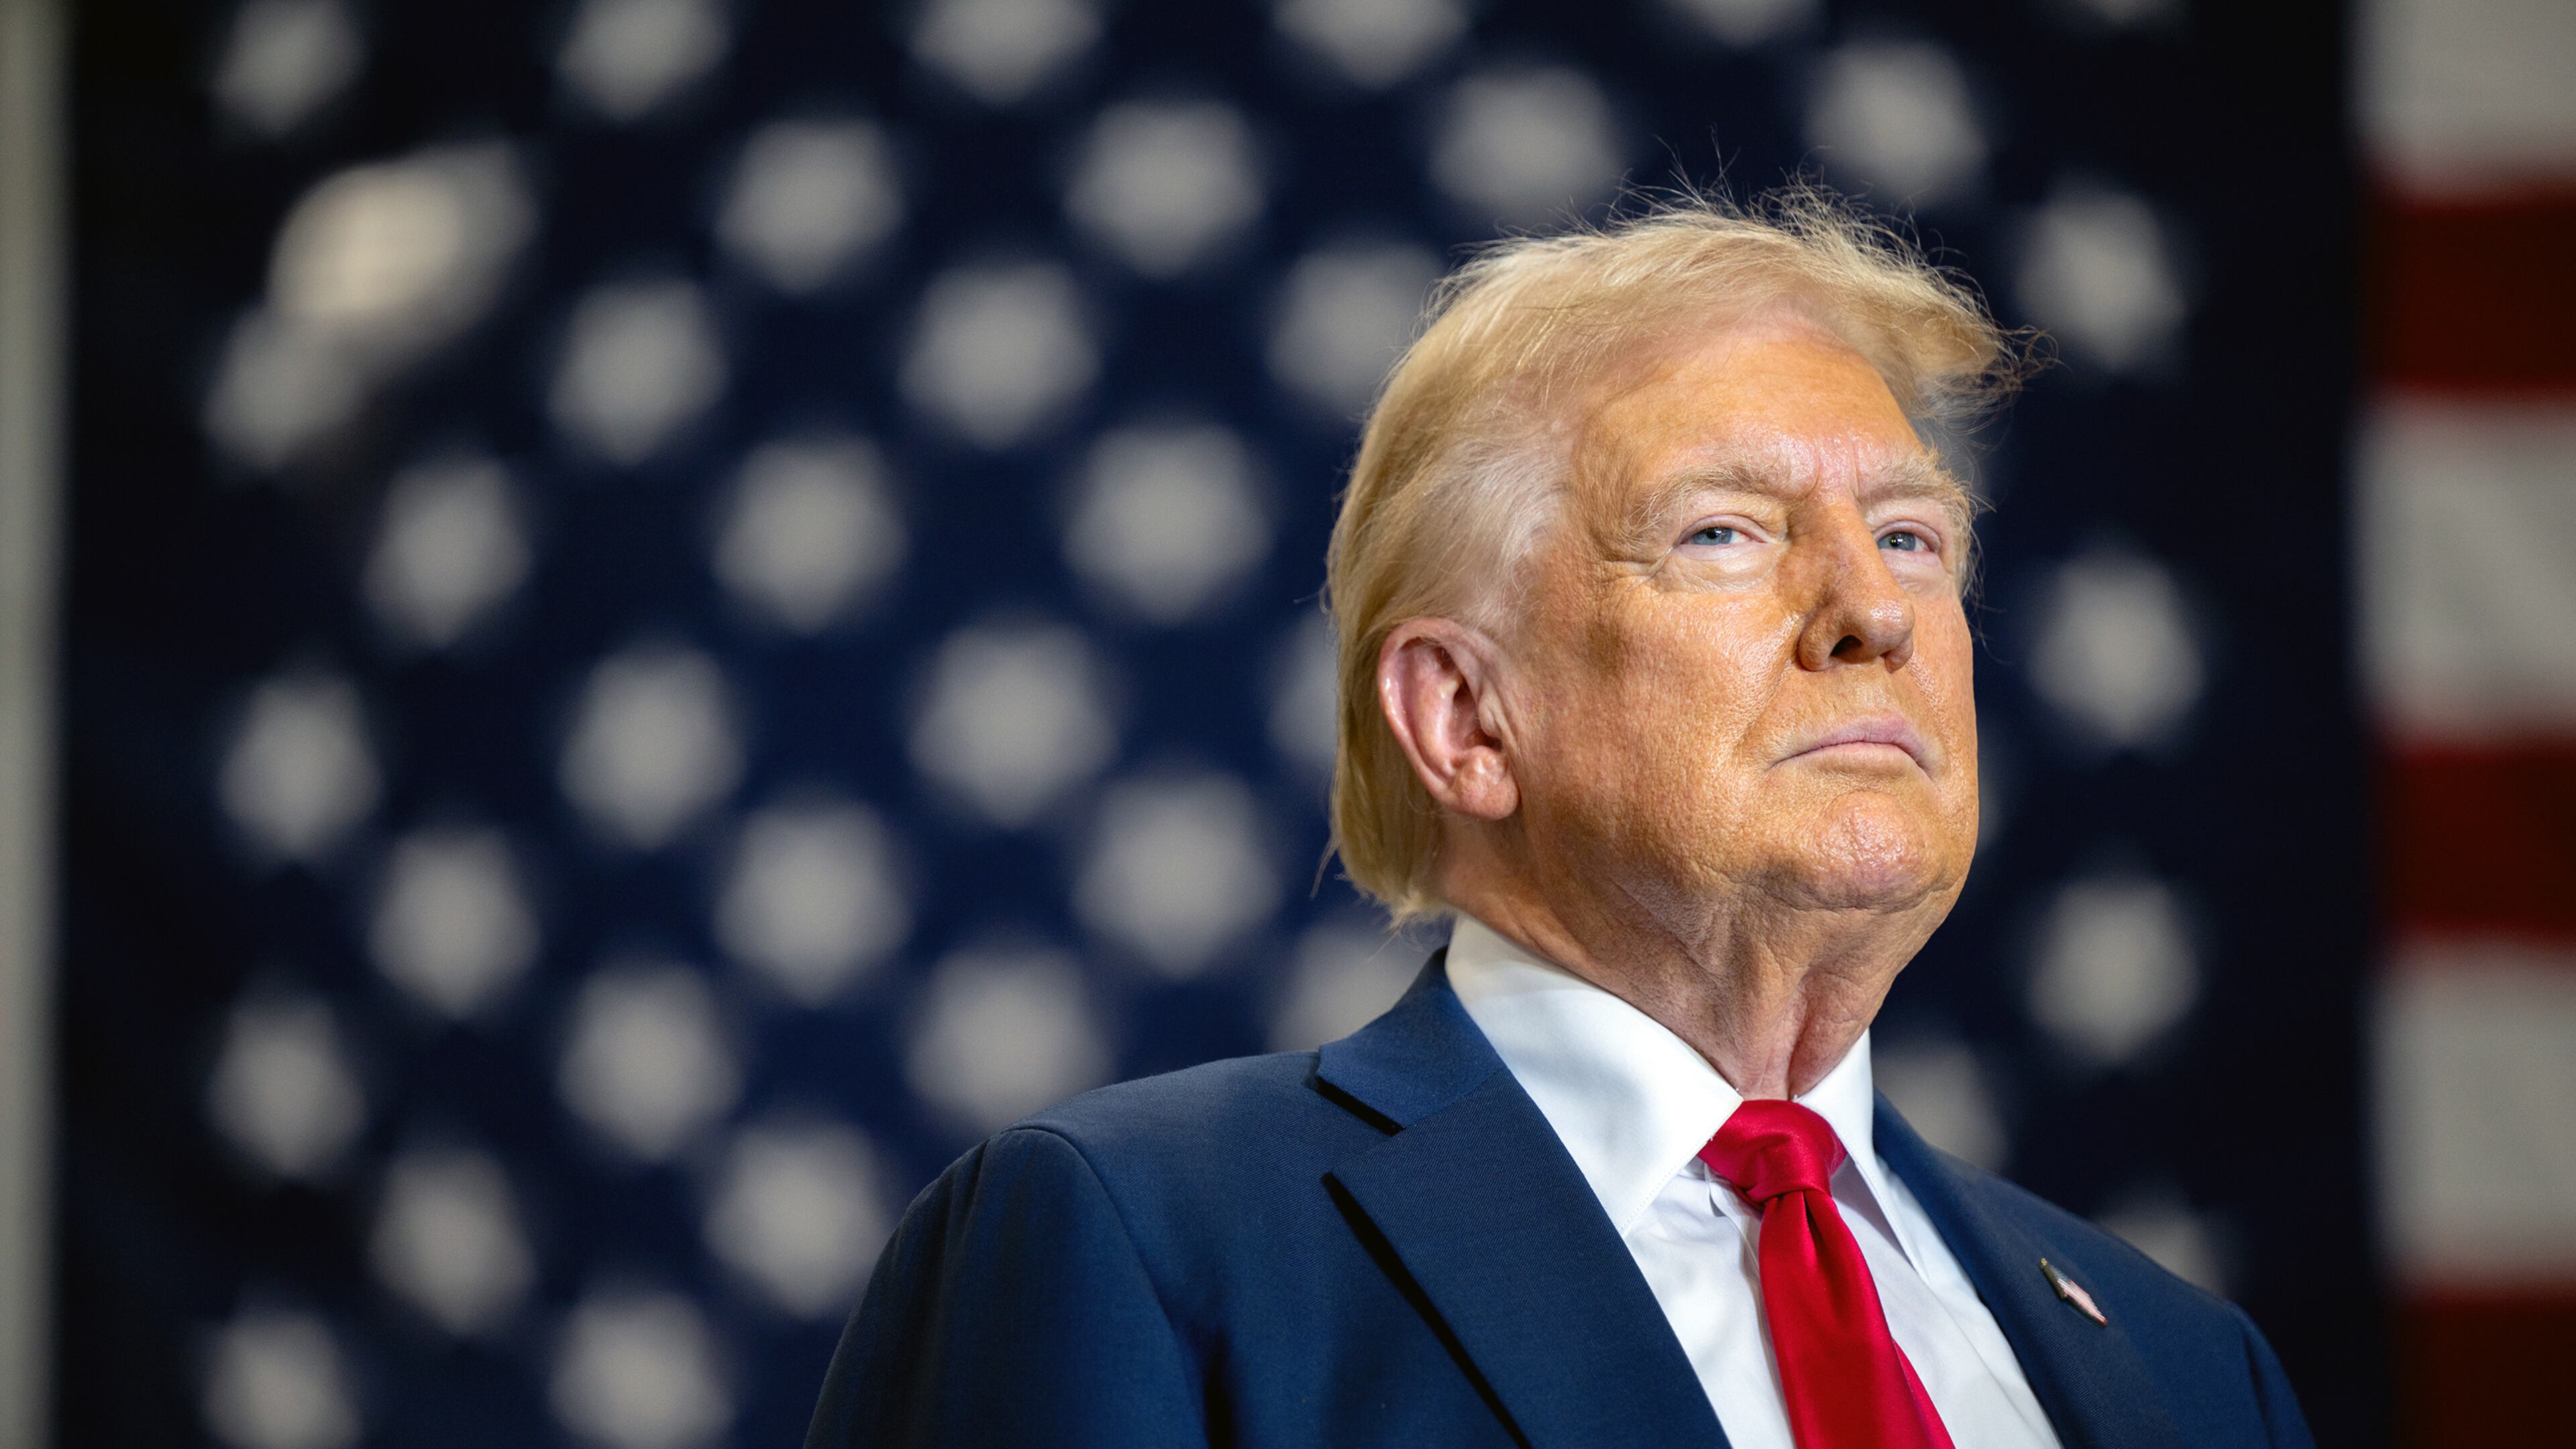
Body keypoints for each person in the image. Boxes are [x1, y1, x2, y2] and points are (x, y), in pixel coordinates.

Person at [806, 191, 2314, 1449]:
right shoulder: (1137, 1243)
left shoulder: (2191, 1375)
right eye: (1724, 532)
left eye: (1914, 536)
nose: (1874, 611)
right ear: (1466, 719)